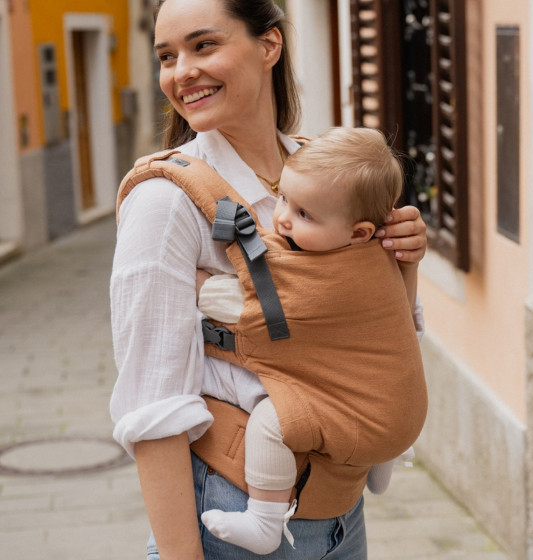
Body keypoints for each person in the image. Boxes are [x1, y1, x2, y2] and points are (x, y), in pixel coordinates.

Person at [109, 1, 428, 559]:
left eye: (203, 46)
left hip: (341, 516)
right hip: (233, 517)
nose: (181, 71)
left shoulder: (325, 175)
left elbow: (374, 336)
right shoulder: (166, 201)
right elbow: (152, 406)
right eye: (166, 56)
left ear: (269, 46)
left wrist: (403, 262)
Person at [197, 126, 421, 554]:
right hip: (398, 413)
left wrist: (198, 282)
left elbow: (240, 301)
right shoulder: (378, 253)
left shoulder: (325, 276)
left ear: (358, 232)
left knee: (273, 422)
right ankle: (379, 463)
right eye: (282, 196)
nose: (282, 218)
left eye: (305, 215)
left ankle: (264, 521)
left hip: (371, 423)